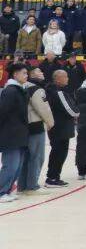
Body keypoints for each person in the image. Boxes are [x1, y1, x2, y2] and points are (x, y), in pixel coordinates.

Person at [17, 65, 52, 195]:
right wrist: (50, 123)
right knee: (36, 157)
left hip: (23, 126)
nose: (42, 73)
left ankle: (22, 186)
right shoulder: (36, 89)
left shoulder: (20, 87)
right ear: (31, 75)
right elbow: (43, 109)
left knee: (25, 157)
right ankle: (32, 186)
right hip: (35, 126)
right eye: (39, 71)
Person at [0, 62, 29, 202]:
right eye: (24, 73)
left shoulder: (20, 90)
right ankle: (1, 191)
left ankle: (8, 189)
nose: (26, 75)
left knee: (17, 165)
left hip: (20, 133)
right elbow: (3, 112)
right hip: (10, 134)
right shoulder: (10, 91)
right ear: (15, 74)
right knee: (10, 164)